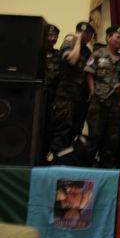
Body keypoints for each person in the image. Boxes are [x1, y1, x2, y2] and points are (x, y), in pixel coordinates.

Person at [84, 25, 120, 168]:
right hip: (99, 99)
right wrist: (92, 90)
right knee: (95, 134)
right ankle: (89, 164)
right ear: (108, 38)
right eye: (117, 37)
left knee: (112, 137)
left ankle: (107, 166)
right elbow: (90, 73)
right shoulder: (98, 54)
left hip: (114, 102)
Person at [49, 22, 95, 157]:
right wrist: (78, 40)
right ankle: (56, 160)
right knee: (63, 130)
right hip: (65, 97)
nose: (87, 36)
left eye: (89, 34)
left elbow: (88, 72)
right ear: (77, 32)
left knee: (75, 131)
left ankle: (68, 159)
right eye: (84, 33)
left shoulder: (87, 51)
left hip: (80, 99)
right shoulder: (69, 44)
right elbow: (72, 60)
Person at [42, 24, 60, 158]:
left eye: (55, 36)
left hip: (52, 98)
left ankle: (45, 155)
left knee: (49, 128)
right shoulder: (37, 53)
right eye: (50, 35)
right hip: (36, 98)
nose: (53, 38)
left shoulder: (58, 55)